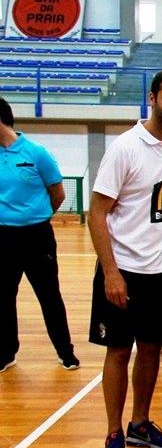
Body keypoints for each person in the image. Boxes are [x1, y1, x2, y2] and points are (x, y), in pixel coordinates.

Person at [88, 69, 162, 448]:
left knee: (150, 349)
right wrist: (111, 272)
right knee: (118, 351)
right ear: (152, 99)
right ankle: (113, 433)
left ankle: (140, 424)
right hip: (124, 271)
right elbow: (97, 213)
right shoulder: (125, 148)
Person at [0, 96, 78, 371]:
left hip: (37, 236)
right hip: (3, 238)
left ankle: (65, 352)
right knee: (3, 297)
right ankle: (6, 353)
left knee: (49, 295)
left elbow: (57, 193)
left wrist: (38, 216)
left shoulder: (36, 153)